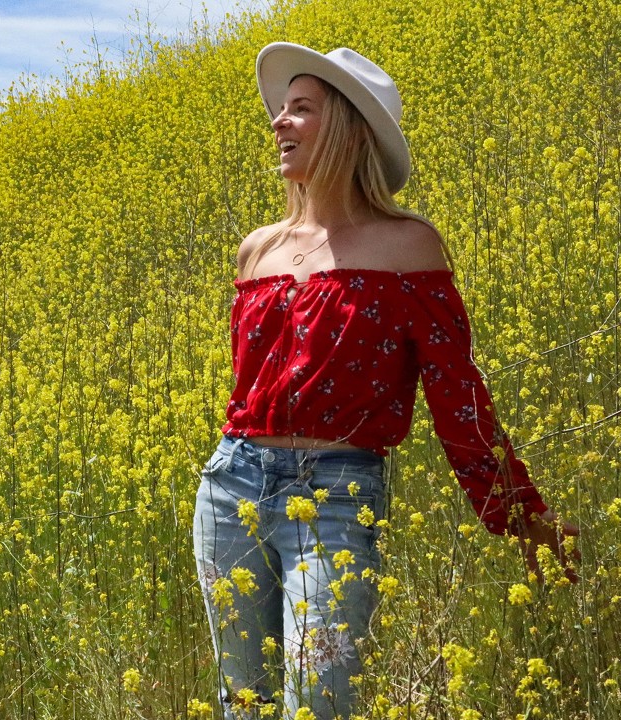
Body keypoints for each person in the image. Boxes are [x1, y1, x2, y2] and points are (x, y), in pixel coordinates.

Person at [191, 43, 580, 719]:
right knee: (241, 704)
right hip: (232, 488)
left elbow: (459, 398)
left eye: (300, 110)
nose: (279, 123)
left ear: (346, 128)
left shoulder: (409, 245)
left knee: (323, 699)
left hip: (339, 492)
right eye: (282, 110)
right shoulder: (258, 249)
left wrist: (517, 510)